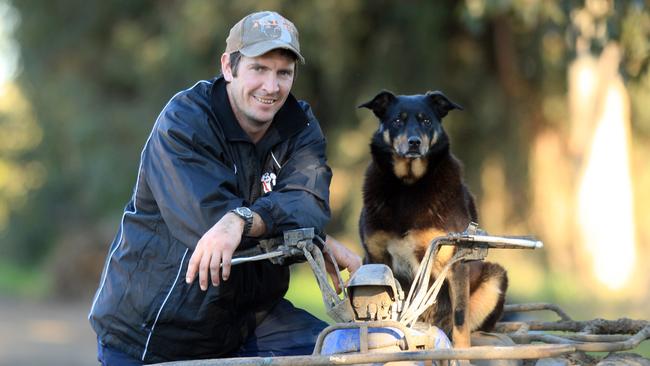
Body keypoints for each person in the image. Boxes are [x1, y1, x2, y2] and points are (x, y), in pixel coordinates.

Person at [88, 10, 361, 365]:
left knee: (346, 353)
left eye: (284, 73)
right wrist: (284, 230)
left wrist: (304, 234)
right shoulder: (185, 120)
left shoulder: (300, 125)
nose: (272, 87)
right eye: (259, 69)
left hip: (247, 321)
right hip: (154, 330)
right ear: (228, 67)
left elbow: (309, 205)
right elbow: (212, 224)